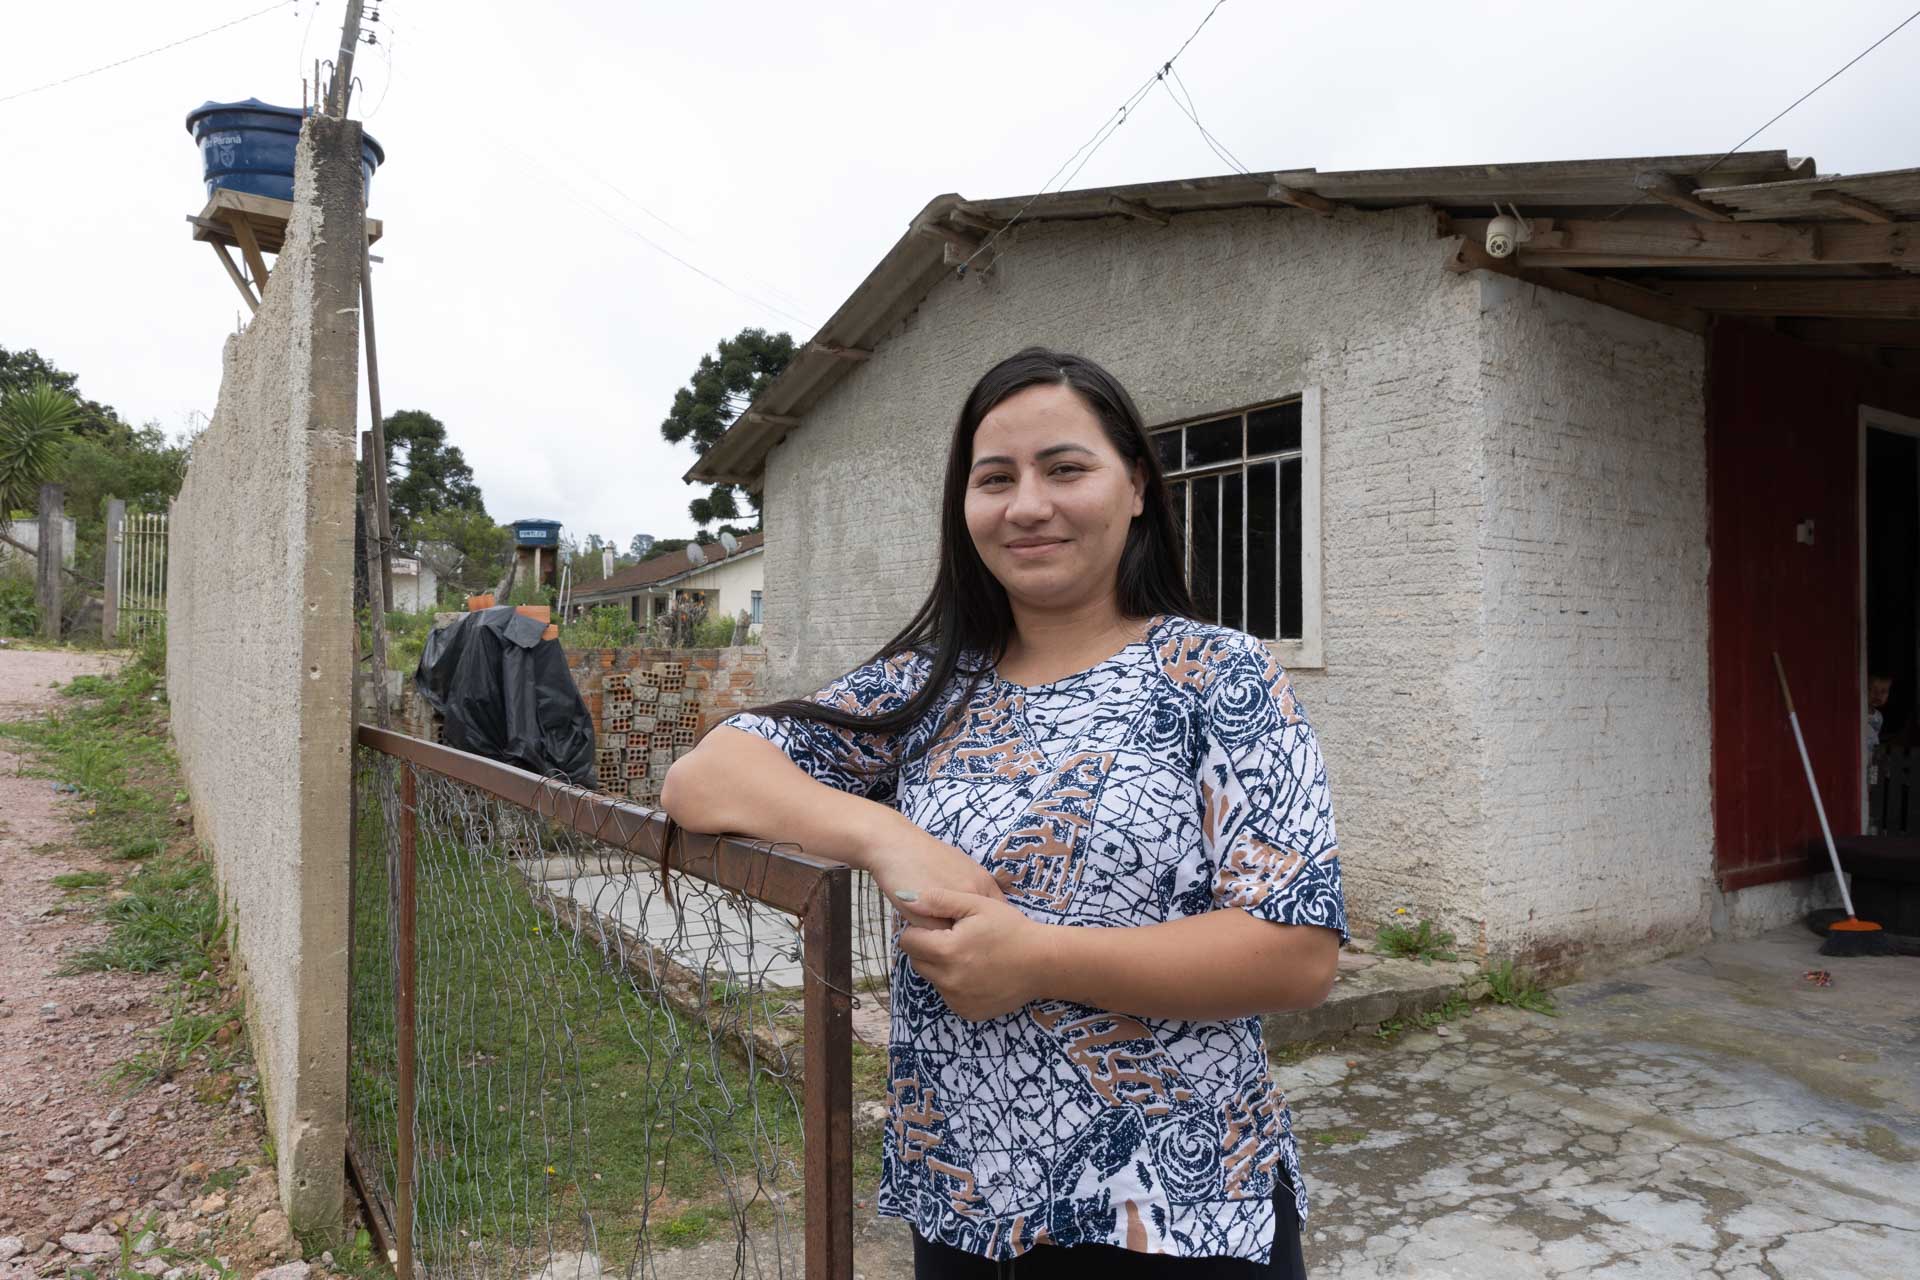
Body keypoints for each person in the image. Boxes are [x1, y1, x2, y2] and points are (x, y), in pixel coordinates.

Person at [663, 348, 1347, 1277]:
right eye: (996, 479)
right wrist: (884, 835)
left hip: (1175, 1209)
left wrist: (1037, 959)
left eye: (1066, 469)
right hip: (965, 1201)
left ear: (1136, 487)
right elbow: (704, 779)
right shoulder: (930, 686)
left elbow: (1296, 951)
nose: (1028, 505)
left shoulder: (1216, 676)